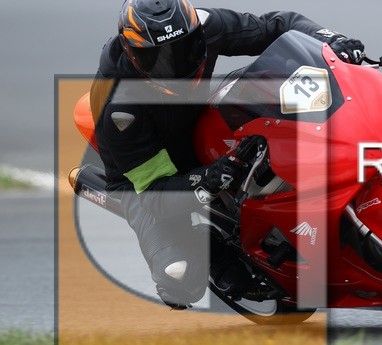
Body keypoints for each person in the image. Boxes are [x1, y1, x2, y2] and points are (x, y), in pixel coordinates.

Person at [90, 0, 366, 309]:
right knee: (179, 276)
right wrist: (204, 179)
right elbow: (155, 193)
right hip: (144, 172)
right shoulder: (120, 111)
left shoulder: (204, 24)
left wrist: (330, 41)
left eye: (184, 50)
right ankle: (212, 251)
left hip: (196, 116)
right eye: (158, 59)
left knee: (268, 86)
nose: (176, 66)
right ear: (131, 53)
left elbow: (277, 26)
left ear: (196, 33)